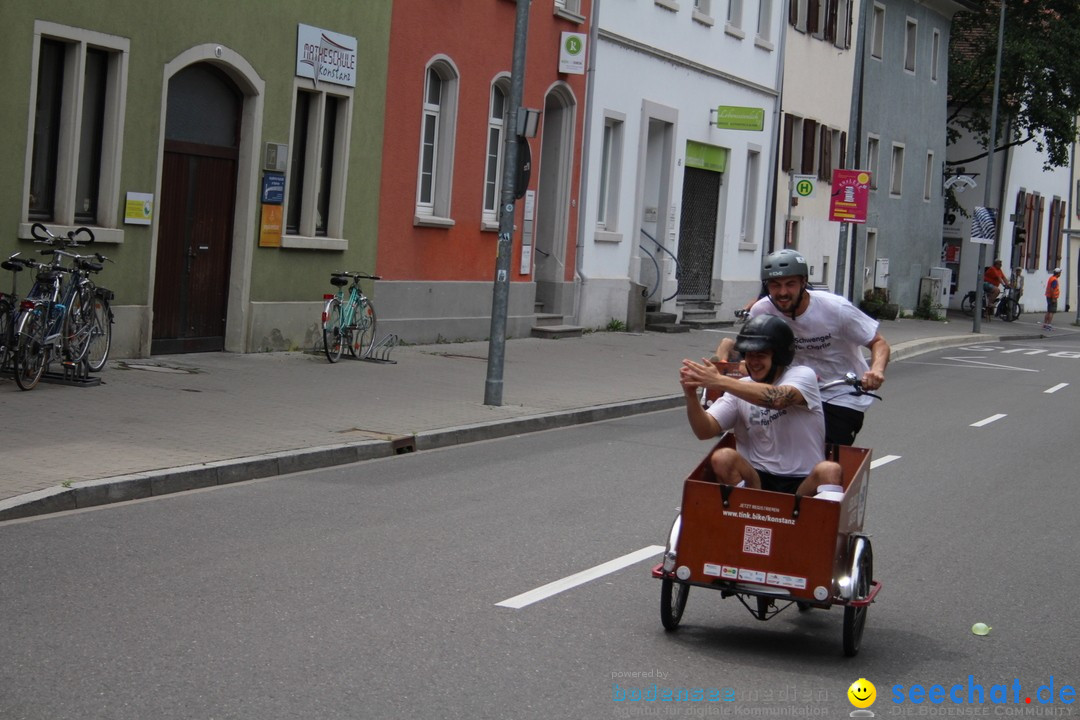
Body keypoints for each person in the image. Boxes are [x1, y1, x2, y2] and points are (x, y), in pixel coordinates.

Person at [715, 249, 889, 446]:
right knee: (772, 446)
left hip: (840, 393)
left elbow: (878, 342)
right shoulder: (762, 311)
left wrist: (876, 370)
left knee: (826, 455)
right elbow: (758, 352)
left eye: (790, 284)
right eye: (775, 285)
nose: (782, 292)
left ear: (803, 282)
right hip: (795, 391)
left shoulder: (835, 309)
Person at [681, 315, 842, 496]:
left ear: (779, 356)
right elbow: (704, 431)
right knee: (723, 457)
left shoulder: (803, 376)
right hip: (756, 479)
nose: (754, 362)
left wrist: (720, 381)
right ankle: (741, 513)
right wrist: (691, 396)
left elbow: (778, 399)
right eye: (749, 355)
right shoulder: (739, 387)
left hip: (803, 482)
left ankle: (820, 521)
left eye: (761, 355)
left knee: (830, 470)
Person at [1043, 267, 1062, 332]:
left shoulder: (1051, 278)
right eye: (1060, 273)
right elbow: (1053, 289)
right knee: (1051, 311)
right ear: (1058, 273)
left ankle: (1045, 324)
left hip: (1048, 296)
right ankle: (1048, 325)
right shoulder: (1054, 280)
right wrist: (1054, 298)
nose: (1060, 274)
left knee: (1048, 311)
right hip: (1052, 297)